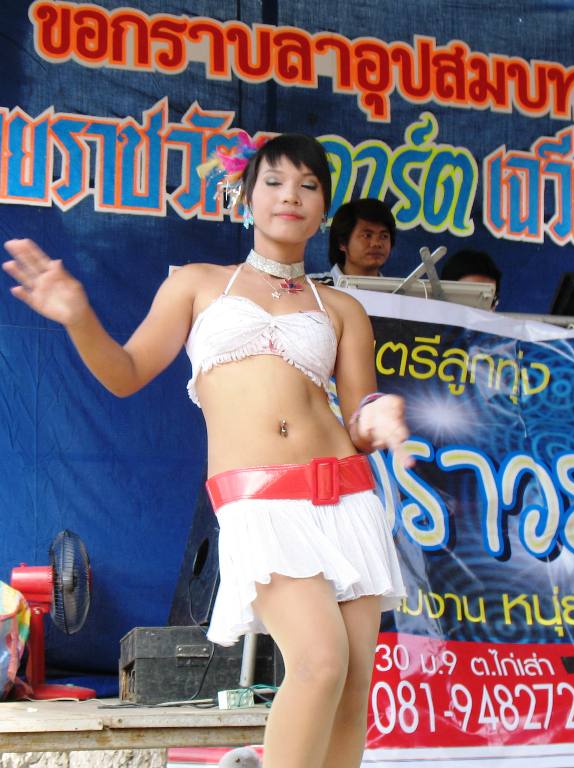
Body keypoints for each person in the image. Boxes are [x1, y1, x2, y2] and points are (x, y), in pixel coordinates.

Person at [3, 133, 410, 768]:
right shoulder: (197, 285)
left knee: (354, 681)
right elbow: (126, 371)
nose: (290, 196)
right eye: (274, 182)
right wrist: (80, 316)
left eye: (308, 186)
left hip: (347, 494)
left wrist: (376, 415)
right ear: (245, 197)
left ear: (323, 208)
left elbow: (357, 414)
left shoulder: (342, 308)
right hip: (262, 502)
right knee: (319, 662)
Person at [313, 197, 396, 284]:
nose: (376, 243)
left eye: (384, 236)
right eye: (367, 235)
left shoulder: (399, 294)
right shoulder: (311, 288)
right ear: (342, 243)